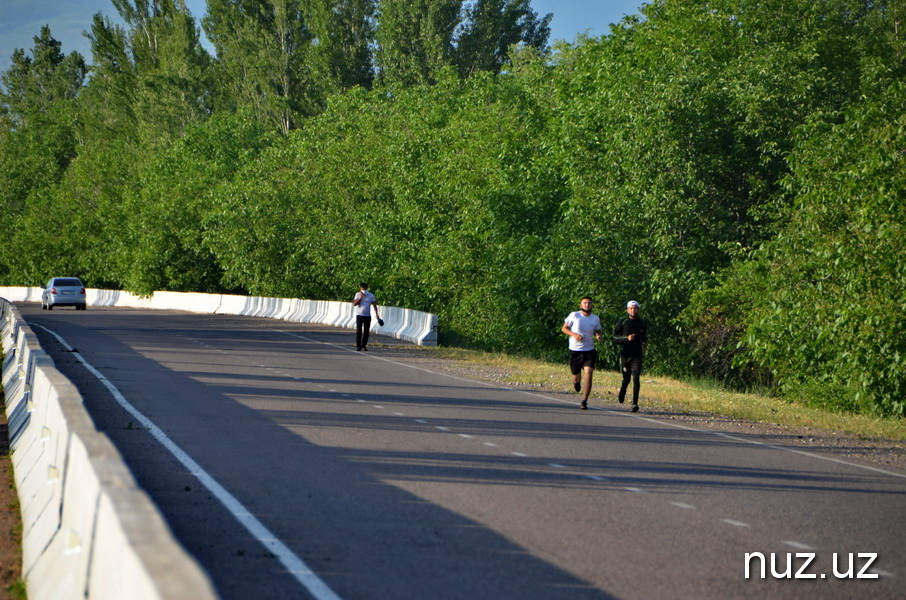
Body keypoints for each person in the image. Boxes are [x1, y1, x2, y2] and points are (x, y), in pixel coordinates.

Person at [561, 297, 604, 410]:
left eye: (589, 303)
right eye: (585, 303)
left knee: (589, 374)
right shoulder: (574, 315)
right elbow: (564, 328)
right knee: (576, 377)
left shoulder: (595, 318)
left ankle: (584, 401)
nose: (587, 305)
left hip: (589, 350)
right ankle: (576, 383)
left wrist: (598, 336)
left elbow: (598, 330)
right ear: (581, 305)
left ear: (592, 305)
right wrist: (574, 335)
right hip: (575, 350)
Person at [613, 300, 648, 412]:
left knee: (636, 377)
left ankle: (634, 403)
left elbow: (644, 337)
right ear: (627, 310)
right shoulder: (623, 322)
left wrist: (644, 343)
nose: (633, 310)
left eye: (635, 308)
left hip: (637, 354)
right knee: (626, 378)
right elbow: (614, 337)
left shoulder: (642, 322)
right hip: (625, 353)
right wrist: (625, 338)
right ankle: (622, 391)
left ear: (638, 309)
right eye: (631, 308)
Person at [353, 283, 381, 351]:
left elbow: (374, 305)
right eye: (363, 288)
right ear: (360, 288)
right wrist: (361, 297)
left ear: (367, 288)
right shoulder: (357, 294)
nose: (364, 290)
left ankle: (364, 345)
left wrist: (376, 314)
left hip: (367, 316)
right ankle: (358, 345)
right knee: (358, 331)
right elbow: (355, 304)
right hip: (359, 315)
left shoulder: (371, 295)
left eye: (365, 288)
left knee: (366, 332)